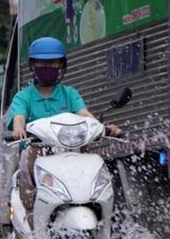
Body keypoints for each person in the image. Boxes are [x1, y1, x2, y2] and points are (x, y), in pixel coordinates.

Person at [7, 36, 120, 222]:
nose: (47, 67)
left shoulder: (69, 93)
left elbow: (85, 115)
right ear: (32, 66)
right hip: (39, 152)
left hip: (71, 152)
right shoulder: (24, 96)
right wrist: (19, 130)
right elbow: (18, 117)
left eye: (52, 63)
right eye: (42, 63)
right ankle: (31, 218)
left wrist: (102, 128)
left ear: (62, 66)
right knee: (29, 159)